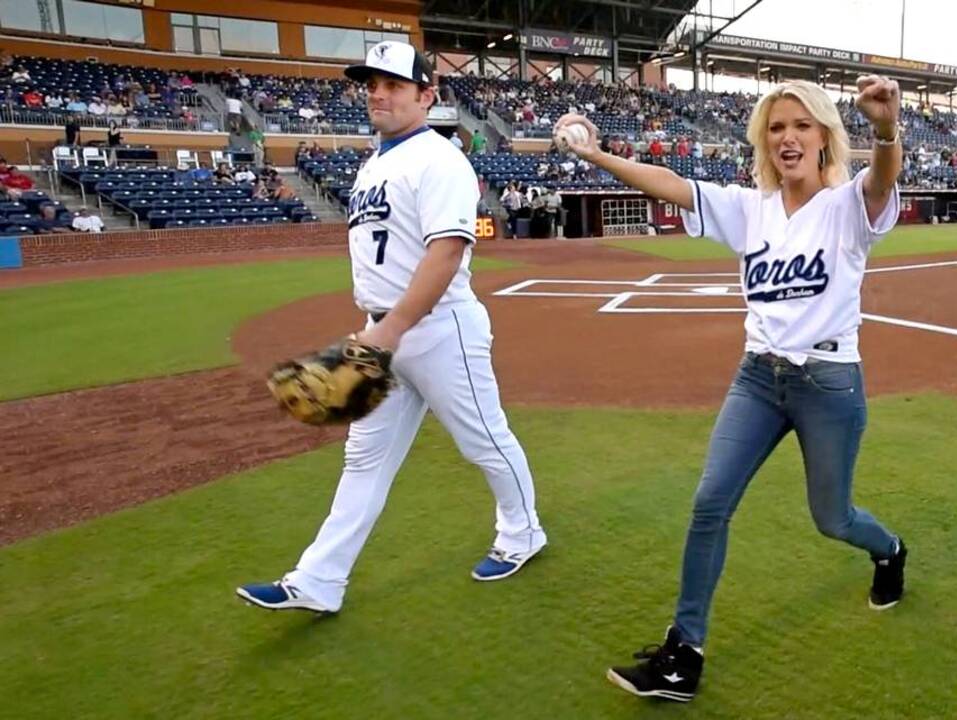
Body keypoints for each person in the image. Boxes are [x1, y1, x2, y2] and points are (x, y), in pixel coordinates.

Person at [555, 76, 909, 702]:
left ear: (825, 136)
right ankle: (682, 654)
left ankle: (889, 549)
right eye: (776, 128)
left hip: (828, 383)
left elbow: (881, 180)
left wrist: (885, 128)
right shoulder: (751, 209)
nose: (788, 137)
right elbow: (672, 185)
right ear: (763, 141)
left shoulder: (849, 204)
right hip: (757, 377)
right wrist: (595, 155)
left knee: (832, 518)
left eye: (801, 125)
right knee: (709, 502)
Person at [237, 40, 547, 614]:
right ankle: (318, 580)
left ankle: (523, 531)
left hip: (438, 328)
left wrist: (392, 328)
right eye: (371, 85)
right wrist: (378, 329)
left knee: (483, 440)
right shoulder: (375, 161)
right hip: (382, 331)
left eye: (394, 86)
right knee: (364, 459)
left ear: (426, 96)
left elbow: (447, 253)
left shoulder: (440, 159)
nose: (378, 95)